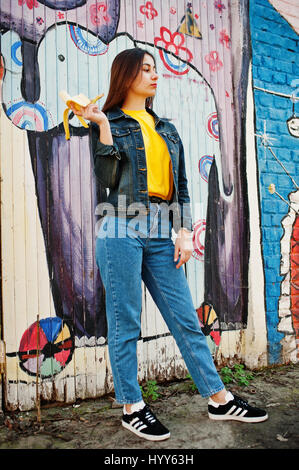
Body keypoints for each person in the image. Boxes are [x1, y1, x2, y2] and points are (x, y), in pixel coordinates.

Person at [69, 47, 268, 442]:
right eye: (145, 69)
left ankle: (219, 398)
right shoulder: (108, 123)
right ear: (125, 76)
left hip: (162, 232)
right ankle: (132, 406)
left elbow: (181, 186)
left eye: (155, 69)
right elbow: (108, 177)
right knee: (126, 323)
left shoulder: (168, 130)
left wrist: (182, 233)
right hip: (120, 228)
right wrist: (102, 126)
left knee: (186, 320)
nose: (154, 74)